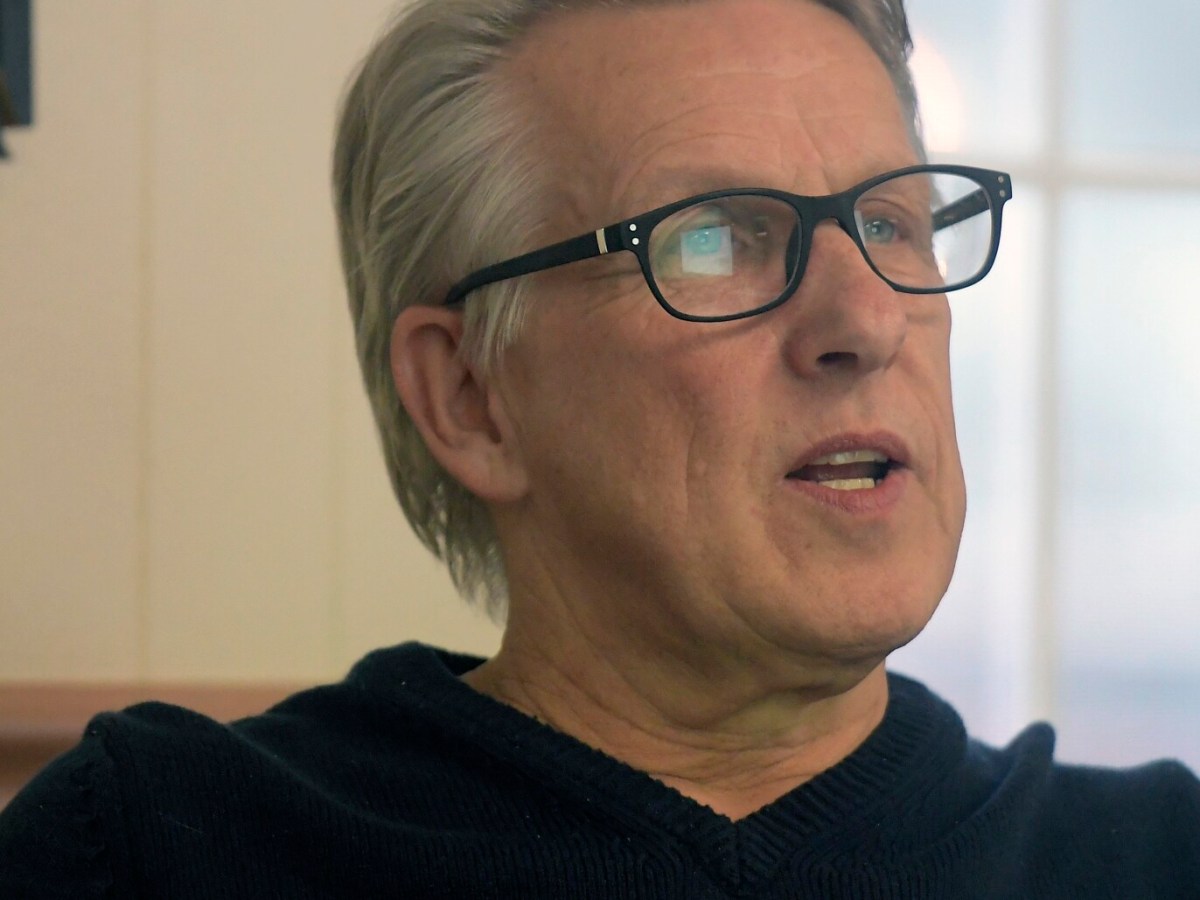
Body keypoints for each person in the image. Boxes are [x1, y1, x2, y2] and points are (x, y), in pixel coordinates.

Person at [2, 0, 1198, 895]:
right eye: (714, 237)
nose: (867, 319)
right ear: (471, 396)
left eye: (889, 223)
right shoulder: (155, 849)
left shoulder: (1153, 858)